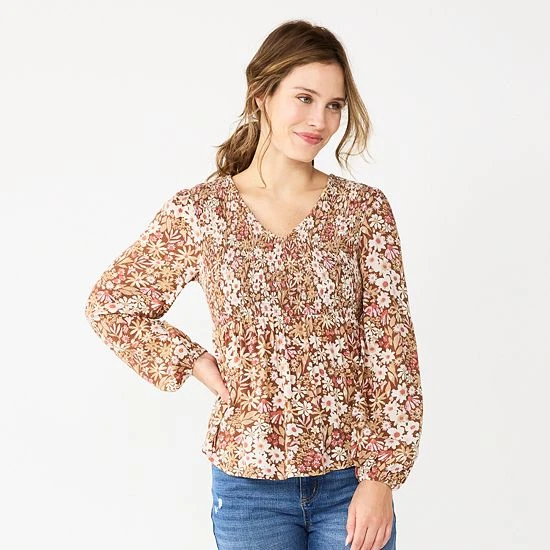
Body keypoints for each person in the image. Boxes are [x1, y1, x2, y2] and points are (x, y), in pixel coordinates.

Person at [84, 19, 423, 550]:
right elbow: (111, 304)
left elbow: (393, 352)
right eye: (304, 98)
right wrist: (191, 360)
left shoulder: (363, 211)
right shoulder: (203, 212)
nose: (320, 121)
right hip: (248, 486)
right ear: (262, 94)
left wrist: (381, 478)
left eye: (334, 105)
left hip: (351, 478)